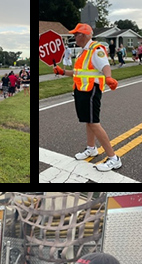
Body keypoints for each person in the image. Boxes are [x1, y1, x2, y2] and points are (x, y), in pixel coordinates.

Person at [53, 23, 121, 172]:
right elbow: (79, 72)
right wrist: (62, 72)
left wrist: (108, 77)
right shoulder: (83, 52)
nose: (74, 37)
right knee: (88, 121)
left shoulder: (96, 50)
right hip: (81, 90)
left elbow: (105, 66)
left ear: (83, 35)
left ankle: (113, 158)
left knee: (94, 122)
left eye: (76, 34)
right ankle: (91, 148)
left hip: (91, 91)